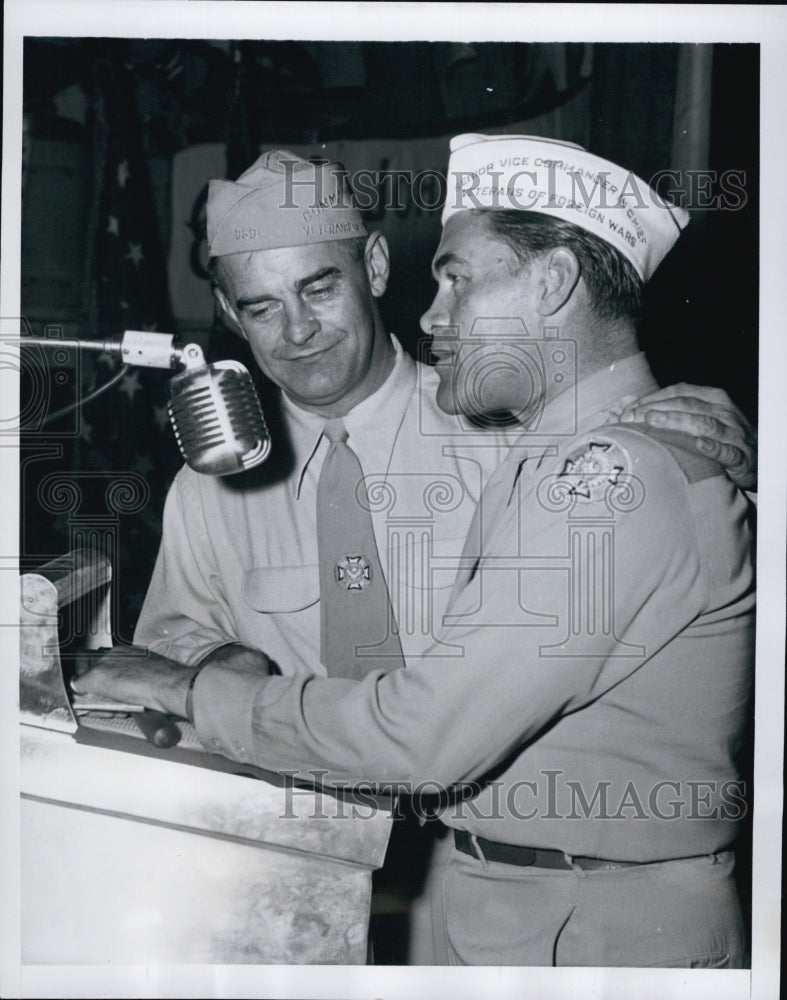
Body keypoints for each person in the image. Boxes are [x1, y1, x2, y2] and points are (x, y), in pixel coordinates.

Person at [76, 137, 756, 967]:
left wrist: (728, 448)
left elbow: (430, 732)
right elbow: (173, 641)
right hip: (314, 862)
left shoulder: (512, 428)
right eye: (259, 307)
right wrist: (218, 663)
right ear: (227, 314)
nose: (296, 331)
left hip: (509, 881)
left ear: (370, 265)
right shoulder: (213, 476)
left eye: (318, 288)